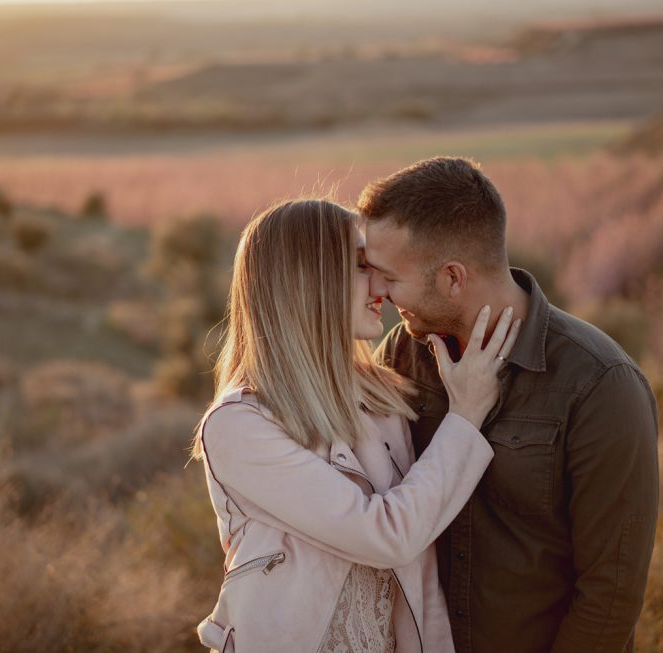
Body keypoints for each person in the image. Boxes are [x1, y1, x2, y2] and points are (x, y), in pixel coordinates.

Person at [192, 198, 522, 653]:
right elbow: (387, 536)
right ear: (311, 280)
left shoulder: (382, 397)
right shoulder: (239, 426)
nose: (381, 284)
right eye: (362, 265)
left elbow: (420, 574)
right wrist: (465, 417)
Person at [360, 157, 659, 653]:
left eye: (389, 276)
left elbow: (611, 593)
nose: (378, 291)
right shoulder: (400, 356)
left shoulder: (601, 384)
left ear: (453, 278)